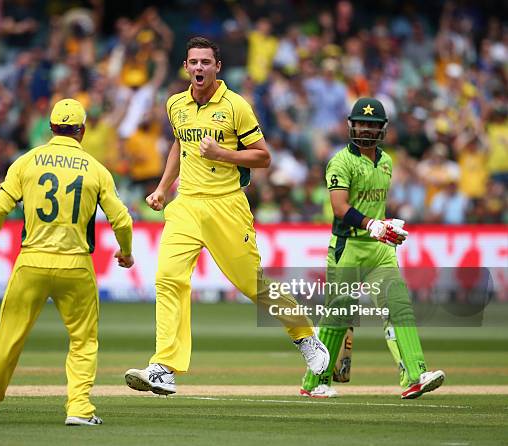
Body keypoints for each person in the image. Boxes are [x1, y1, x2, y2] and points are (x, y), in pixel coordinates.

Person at [124, 37, 329, 396]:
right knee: (168, 279)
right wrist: (162, 188)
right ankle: (164, 367)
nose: (199, 68)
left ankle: (305, 334)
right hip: (186, 204)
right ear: (186, 67)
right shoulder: (175, 104)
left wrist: (222, 153)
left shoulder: (237, 106)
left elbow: (263, 157)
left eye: (206, 62)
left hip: (226, 205)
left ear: (217, 66)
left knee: (253, 285)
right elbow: (179, 145)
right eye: (193, 62)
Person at [0, 98, 134, 425]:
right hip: (76, 265)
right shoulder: (96, 169)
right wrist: (126, 251)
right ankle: (79, 409)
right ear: (82, 131)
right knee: (83, 340)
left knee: (9, 335)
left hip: (32, 262)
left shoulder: (27, 162)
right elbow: (122, 220)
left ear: (51, 129)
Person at [300, 97, 445, 399]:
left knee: (398, 307)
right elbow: (340, 208)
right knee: (338, 316)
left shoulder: (388, 162)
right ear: (352, 125)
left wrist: (386, 224)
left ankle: (415, 375)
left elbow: (373, 206)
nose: (366, 129)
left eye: (373, 125)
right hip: (347, 246)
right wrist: (371, 224)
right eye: (362, 123)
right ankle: (314, 383)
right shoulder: (340, 161)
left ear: (383, 130)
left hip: (379, 248)